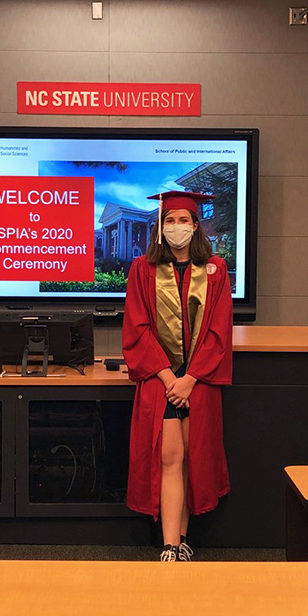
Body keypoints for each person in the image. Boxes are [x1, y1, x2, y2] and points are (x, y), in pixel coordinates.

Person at [121, 190, 233, 562]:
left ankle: (183, 539)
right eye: (169, 220)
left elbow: (219, 331)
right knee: (170, 458)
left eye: (184, 220)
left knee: (192, 460)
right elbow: (137, 328)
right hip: (161, 382)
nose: (176, 227)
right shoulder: (142, 269)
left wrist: (191, 378)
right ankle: (169, 544)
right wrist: (171, 379)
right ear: (159, 226)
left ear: (196, 226)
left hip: (198, 383)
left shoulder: (215, 271)